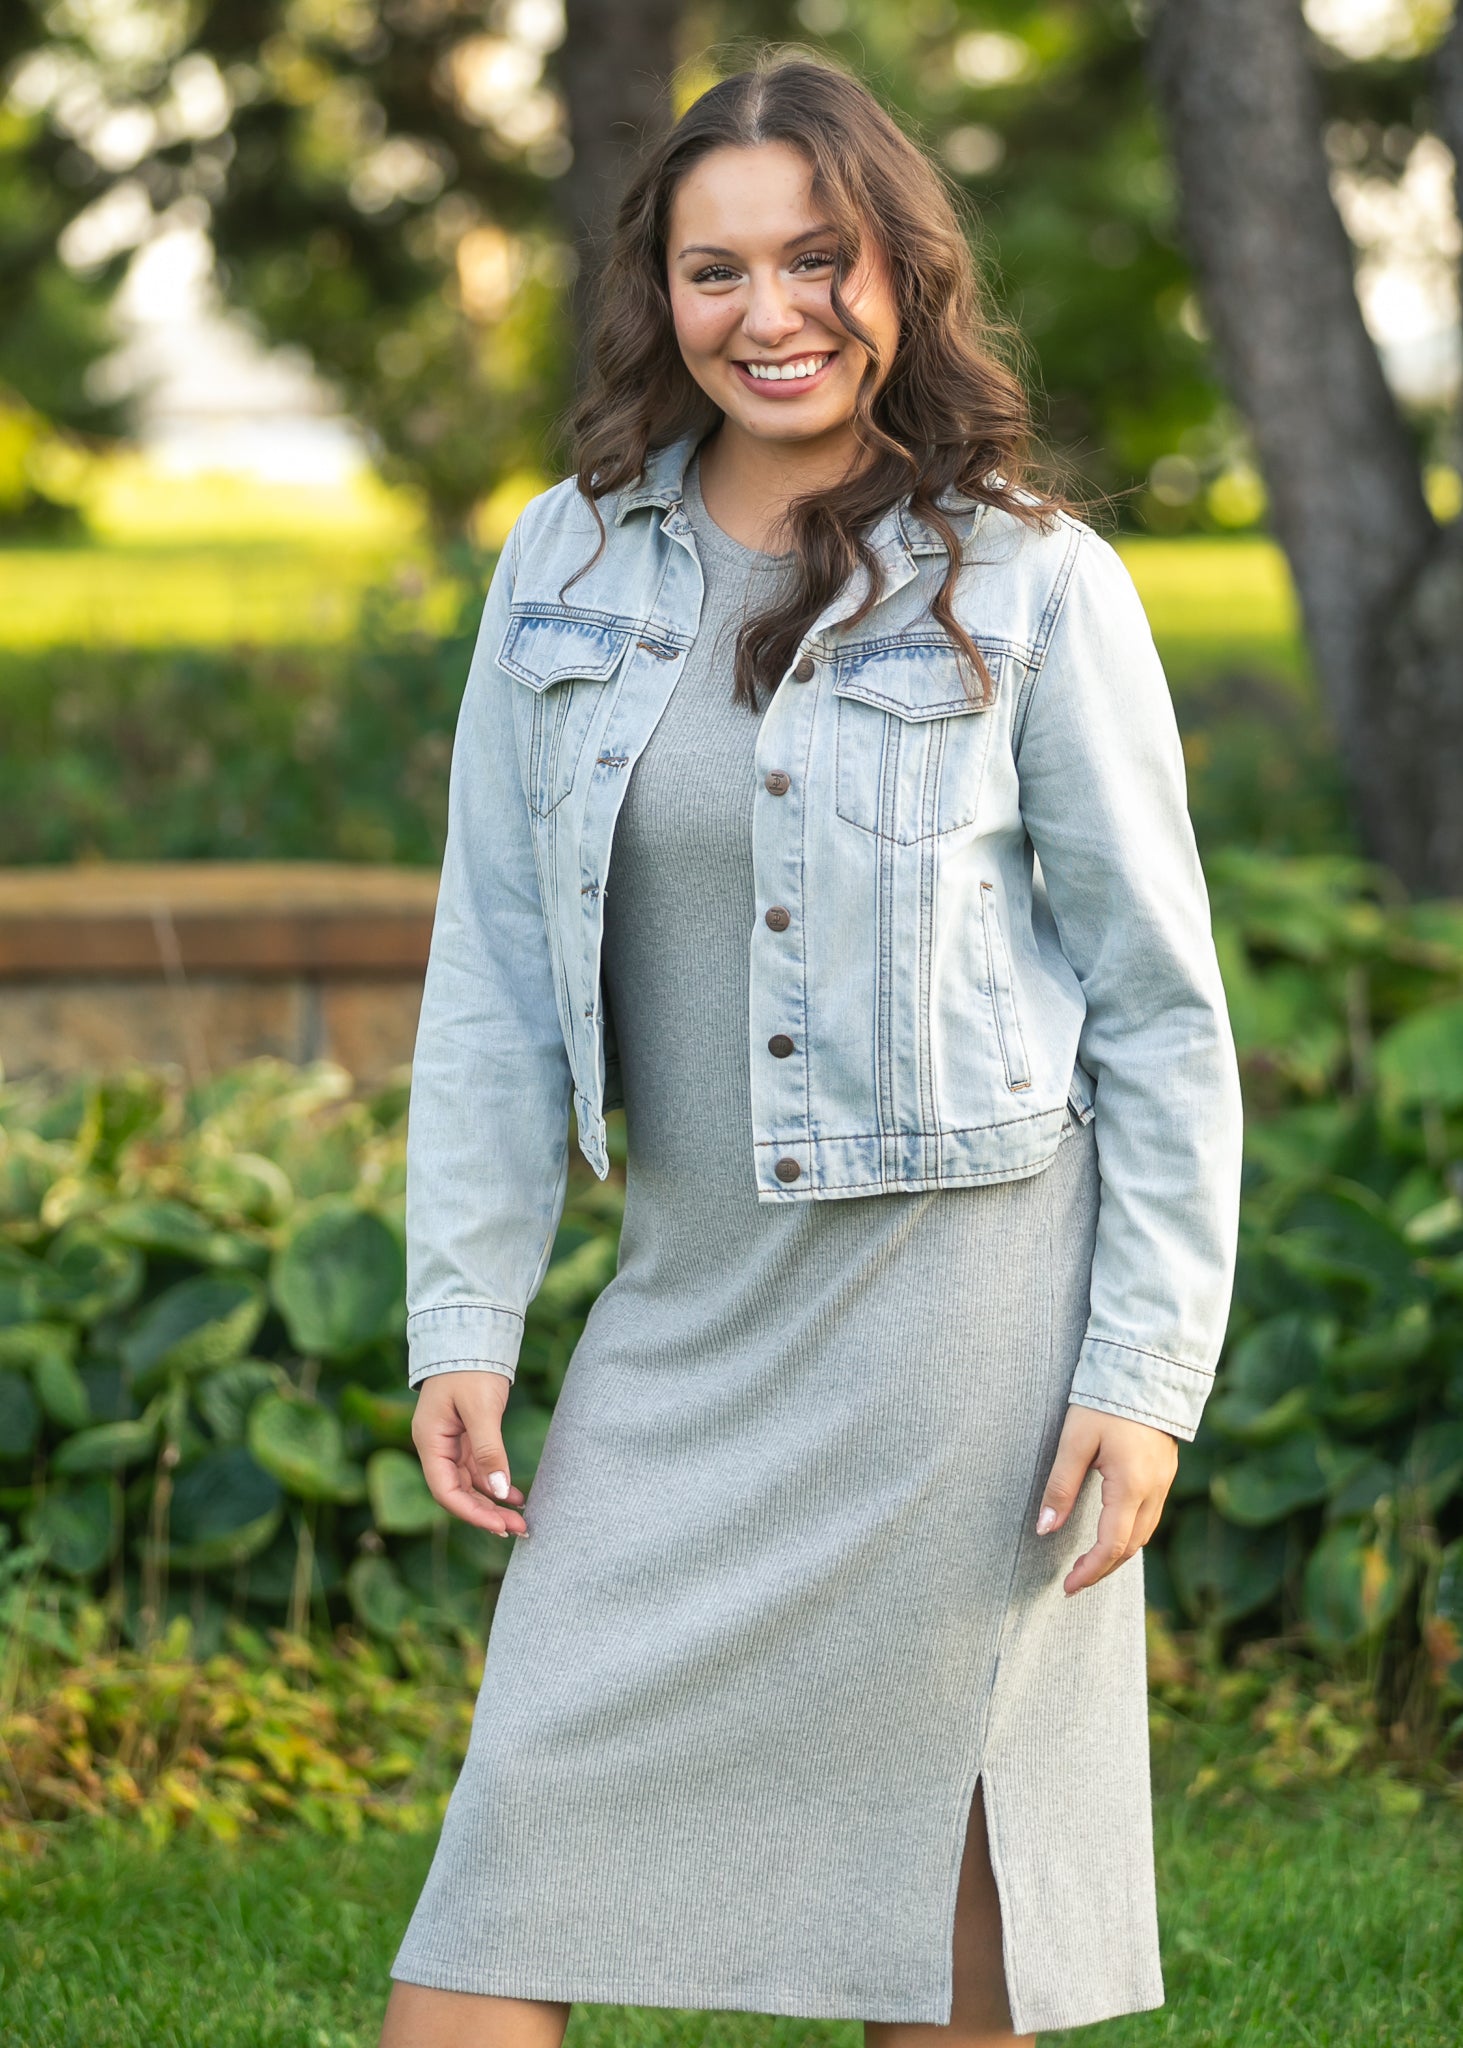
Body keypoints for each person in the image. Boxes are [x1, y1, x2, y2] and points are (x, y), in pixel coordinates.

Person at [379, 51, 1243, 2048]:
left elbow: (1162, 1016)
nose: (769, 313)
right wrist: (464, 1313)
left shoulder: (1030, 580)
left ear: (900, 277)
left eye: (818, 258)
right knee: (509, 1854)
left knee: (948, 1920)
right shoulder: (566, 564)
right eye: (715, 270)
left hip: (968, 1319)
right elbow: (495, 970)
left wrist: (1144, 1376)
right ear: (656, 296)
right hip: (688, 1310)